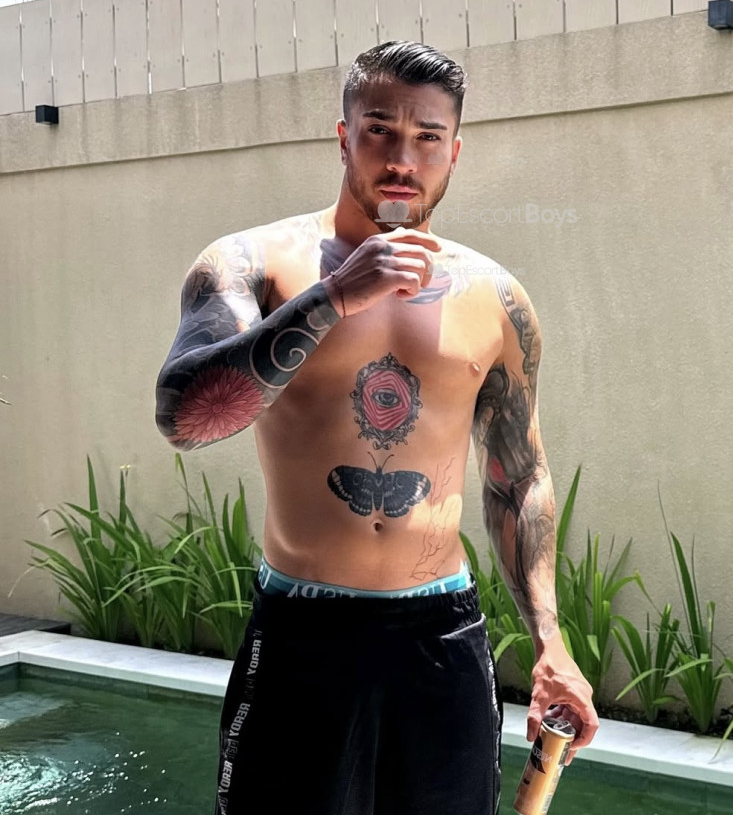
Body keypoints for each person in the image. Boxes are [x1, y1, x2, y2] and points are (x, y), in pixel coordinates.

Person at [155, 40, 598, 815]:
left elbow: (518, 476)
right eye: (379, 130)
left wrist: (549, 643)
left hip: (441, 634)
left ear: (453, 152)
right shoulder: (253, 263)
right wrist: (332, 297)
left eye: (427, 137)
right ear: (343, 136)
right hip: (303, 631)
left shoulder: (495, 298)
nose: (402, 158)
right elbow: (184, 420)